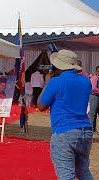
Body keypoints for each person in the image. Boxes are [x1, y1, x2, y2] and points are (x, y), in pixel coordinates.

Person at [37, 49, 93, 180]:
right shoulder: (85, 81)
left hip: (65, 131)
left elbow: (41, 105)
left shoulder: (56, 82)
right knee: (84, 172)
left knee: (66, 176)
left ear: (58, 66)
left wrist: (47, 82)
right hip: (85, 130)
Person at [89, 66, 99, 135]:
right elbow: (93, 88)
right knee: (93, 114)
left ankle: (94, 130)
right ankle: (92, 131)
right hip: (94, 96)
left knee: (95, 114)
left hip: (97, 96)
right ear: (97, 71)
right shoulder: (94, 77)